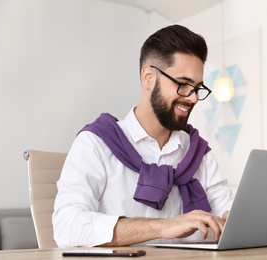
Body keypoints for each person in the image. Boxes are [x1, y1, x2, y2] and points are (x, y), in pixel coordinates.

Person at [52, 24, 233, 247]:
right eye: (184, 85)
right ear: (148, 77)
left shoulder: (197, 152)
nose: (193, 98)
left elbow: (230, 215)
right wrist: (164, 226)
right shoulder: (95, 144)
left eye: (197, 88)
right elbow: (67, 227)